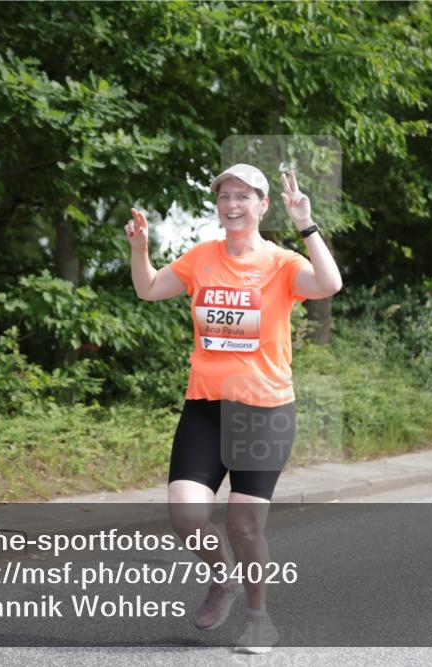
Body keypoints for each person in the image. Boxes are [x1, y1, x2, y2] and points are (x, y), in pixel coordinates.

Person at [125, 163, 342, 653]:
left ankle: (259, 618)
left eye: (244, 196)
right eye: (225, 196)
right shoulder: (202, 258)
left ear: (263, 205)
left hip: (264, 411)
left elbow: (328, 284)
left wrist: (306, 223)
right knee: (185, 515)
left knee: (243, 525)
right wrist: (140, 250)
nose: (232, 204)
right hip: (204, 407)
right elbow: (148, 288)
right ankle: (223, 578)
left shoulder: (283, 263)